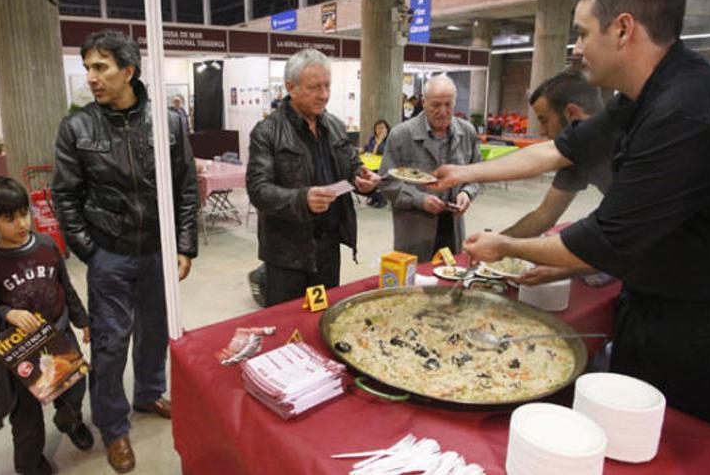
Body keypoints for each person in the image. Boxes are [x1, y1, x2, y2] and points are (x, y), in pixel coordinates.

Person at [434, 0, 710, 429]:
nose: (576, 47)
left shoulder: (687, 110)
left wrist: (505, 246)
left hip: (701, 324)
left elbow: (601, 240)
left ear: (623, 29)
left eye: (584, 32)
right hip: (652, 299)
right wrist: (465, 172)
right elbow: (555, 151)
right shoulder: (637, 99)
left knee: (674, 441)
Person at [53, 30, 199, 473]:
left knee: (155, 331)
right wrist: (90, 251)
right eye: (88, 69)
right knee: (111, 343)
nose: (92, 78)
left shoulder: (169, 122)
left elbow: (185, 187)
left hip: (158, 251)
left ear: (129, 71)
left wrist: (185, 245)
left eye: (101, 67)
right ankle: (114, 428)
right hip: (109, 254)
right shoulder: (78, 127)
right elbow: (64, 197)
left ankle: (150, 391)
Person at [0, 177, 94, 475]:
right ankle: (30, 464)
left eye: (24, 213)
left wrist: (82, 321)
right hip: (21, 349)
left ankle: (68, 423)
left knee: (75, 390)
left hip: (59, 335)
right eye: (9, 219)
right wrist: (6, 315)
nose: (22, 223)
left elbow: (64, 286)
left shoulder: (47, 245)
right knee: (26, 418)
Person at [247, 48, 380, 306]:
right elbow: (258, 189)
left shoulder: (335, 126)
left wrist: (364, 180)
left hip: (329, 248)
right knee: (288, 327)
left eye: (327, 85)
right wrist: (301, 199)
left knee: (323, 320)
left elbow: (352, 166)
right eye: (314, 87)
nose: (324, 95)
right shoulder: (267, 132)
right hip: (287, 254)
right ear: (290, 87)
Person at [501, 69, 614, 285]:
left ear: (572, 115)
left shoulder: (630, 147)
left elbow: (629, 237)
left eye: (544, 120)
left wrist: (564, 271)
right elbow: (544, 215)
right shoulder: (576, 154)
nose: (542, 131)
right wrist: (499, 241)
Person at [379, 74, 482, 260]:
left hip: (453, 227)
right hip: (415, 230)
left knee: (449, 277)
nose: (443, 111)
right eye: (435, 105)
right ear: (424, 102)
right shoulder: (401, 135)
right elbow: (387, 183)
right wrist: (419, 199)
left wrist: (467, 193)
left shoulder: (467, 132)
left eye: (448, 104)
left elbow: (476, 174)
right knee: (413, 283)